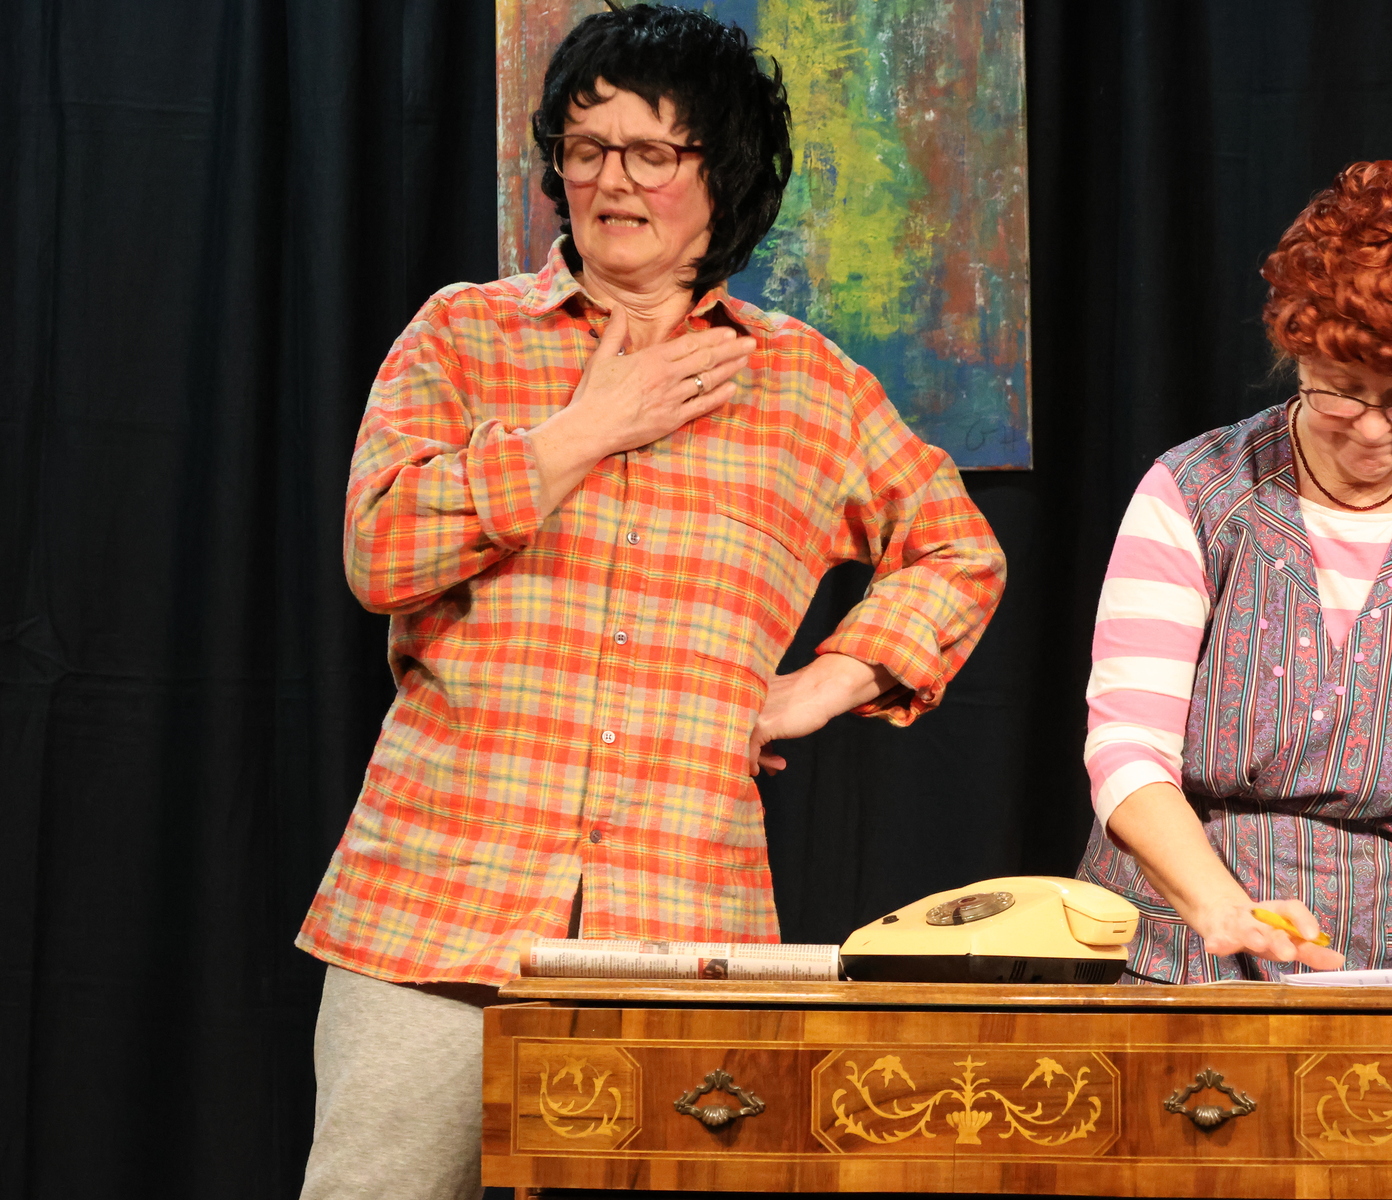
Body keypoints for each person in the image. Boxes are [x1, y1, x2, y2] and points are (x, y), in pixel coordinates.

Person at [293, 7, 1005, 1198]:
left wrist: (817, 688)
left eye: (650, 152)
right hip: (435, 905)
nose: (611, 180)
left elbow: (957, 552)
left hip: (682, 926)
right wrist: (582, 433)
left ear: (723, 174)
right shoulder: (464, 336)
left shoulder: (806, 387)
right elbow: (380, 553)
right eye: (586, 149)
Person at [1077, 161, 1392, 991]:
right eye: (1342, 394)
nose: (1372, 432)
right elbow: (1126, 741)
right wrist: (1218, 905)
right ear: (1297, 354)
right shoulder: (1194, 493)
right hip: (1175, 958)